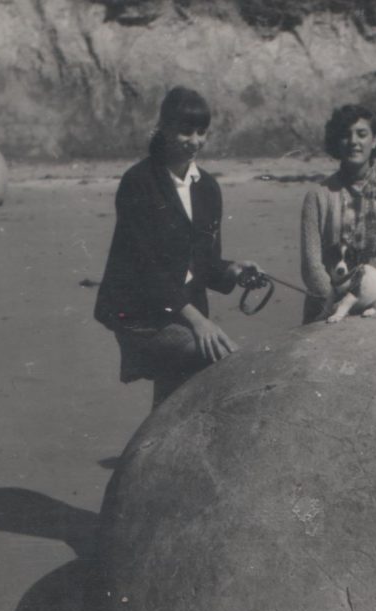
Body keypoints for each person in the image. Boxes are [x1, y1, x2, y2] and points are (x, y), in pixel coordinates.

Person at [94, 86, 265, 408]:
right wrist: (198, 322)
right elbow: (145, 269)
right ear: (164, 128)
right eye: (185, 131)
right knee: (213, 356)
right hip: (139, 313)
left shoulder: (208, 188)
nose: (195, 141)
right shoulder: (139, 182)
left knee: (176, 391)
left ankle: (153, 453)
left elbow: (205, 264)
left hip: (181, 311)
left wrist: (234, 270)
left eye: (202, 132)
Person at [300, 104, 376, 324]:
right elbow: (312, 266)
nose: (354, 141)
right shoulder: (318, 196)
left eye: (362, 134)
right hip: (329, 315)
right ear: (337, 142)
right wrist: (338, 307)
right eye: (346, 135)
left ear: (374, 141)